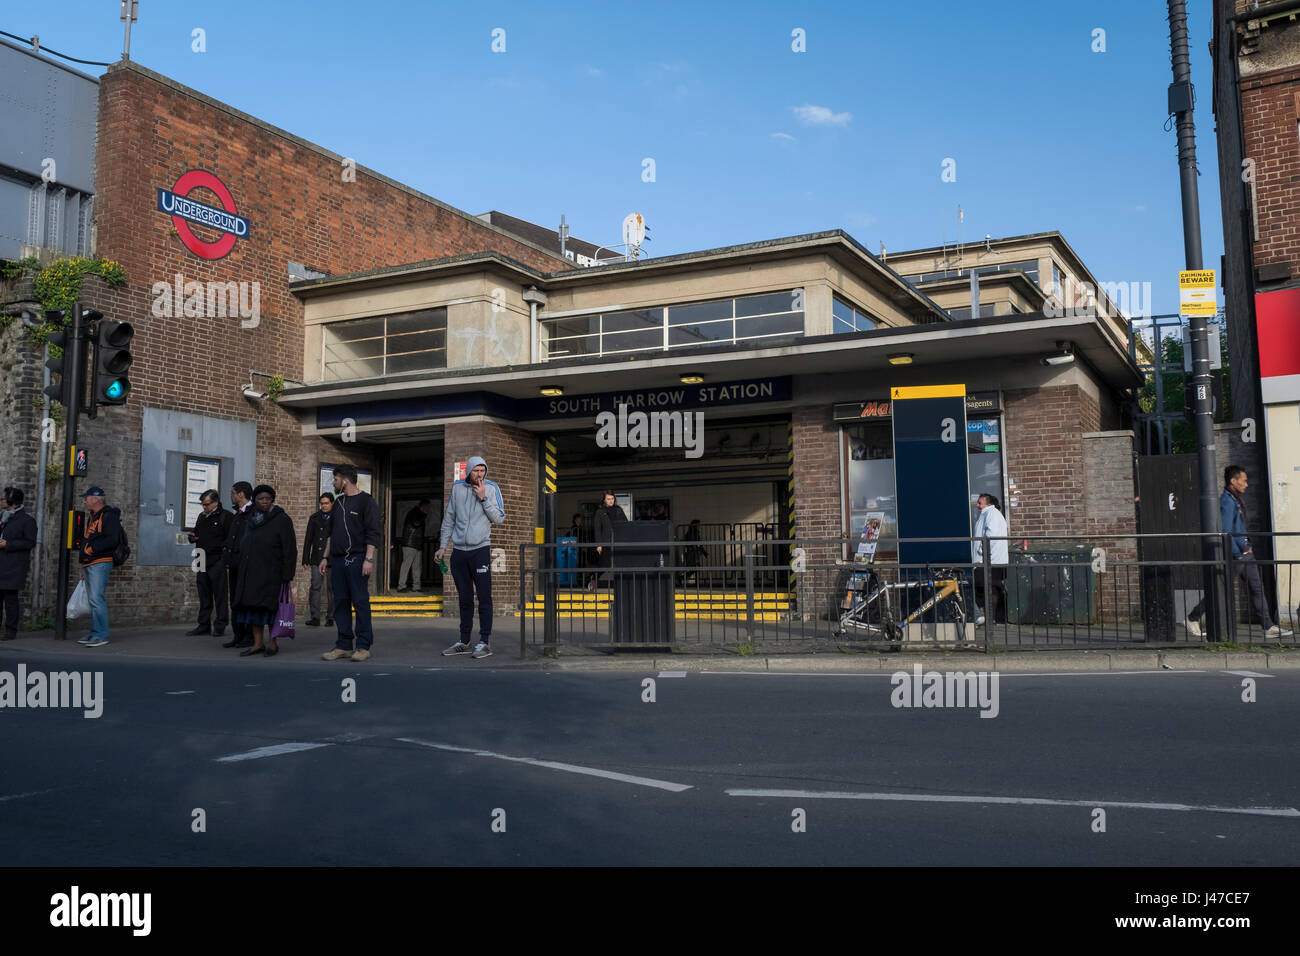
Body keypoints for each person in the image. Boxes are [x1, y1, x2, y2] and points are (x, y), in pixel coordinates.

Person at [1187, 465, 1293, 639]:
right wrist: (1238, 551)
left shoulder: (1235, 499)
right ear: (1233, 481)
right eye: (1243, 480)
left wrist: (1247, 546)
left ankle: (1268, 626)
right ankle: (1193, 617)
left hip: (1245, 552)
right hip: (1237, 555)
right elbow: (1228, 530)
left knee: (1257, 588)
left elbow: (1239, 526)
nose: (1247, 484)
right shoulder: (1227, 501)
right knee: (1221, 588)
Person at [436, 456, 505, 659]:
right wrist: (442, 547)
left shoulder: (491, 488)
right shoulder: (458, 489)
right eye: (476, 470)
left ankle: (484, 642)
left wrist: (483, 498)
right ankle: (464, 641)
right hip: (459, 552)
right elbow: (449, 519)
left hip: (480, 550)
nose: (480, 474)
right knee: (464, 599)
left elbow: (499, 518)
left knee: (484, 597)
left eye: (483, 470)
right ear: (469, 472)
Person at [319, 465, 382, 662]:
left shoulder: (366, 501)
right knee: (340, 603)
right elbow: (331, 534)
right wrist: (324, 557)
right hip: (337, 560)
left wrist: (368, 559)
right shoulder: (338, 503)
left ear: (344, 480)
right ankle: (344, 645)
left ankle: (363, 646)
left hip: (357, 558)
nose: (333, 483)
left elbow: (373, 532)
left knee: (360, 602)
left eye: (335, 479)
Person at [230, 485, 296, 657]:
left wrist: (287, 573)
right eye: (261, 499)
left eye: (268, 498)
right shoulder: (250, 519)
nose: (264, 501)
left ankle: (272, 643)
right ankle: (257, 643)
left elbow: (290, 549)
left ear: (272, 499)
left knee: (270, 610)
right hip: (251, 572)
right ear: (255, 500)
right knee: (253, 610)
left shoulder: (282, 519)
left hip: (271, 573)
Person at [77, 486, 122, 648]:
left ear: (96, 499)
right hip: (90, 563)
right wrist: (83, 564)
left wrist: (91, 549)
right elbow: (88, 538)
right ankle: (95, 632)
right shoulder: (93, 517)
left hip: (100, 562)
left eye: (86, 498)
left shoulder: (109, 516)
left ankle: (101, 635)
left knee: (96, 599)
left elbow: (112, 540)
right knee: (93, 600)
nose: (84, 501)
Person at [186, 489, 232, 636]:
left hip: (217, 561)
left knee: (220, 595)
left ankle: (220, 625)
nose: (204, 507)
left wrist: (223, 559)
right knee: (204, 594)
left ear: (216, 502)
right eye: (202, 505)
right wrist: (192, 538)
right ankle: (203, 624)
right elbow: (197, 533)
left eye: (206, 504)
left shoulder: (226, 517)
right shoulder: (201, 516)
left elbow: (230, 540)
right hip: (201, 559)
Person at [0, 487, 38, 641]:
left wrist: (8, 544)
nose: (2, 501)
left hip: (13, 567)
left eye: (4, 499)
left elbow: (30, 542)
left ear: (12, 502)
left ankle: (10, 631)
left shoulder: (27, 521)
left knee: (10, 600)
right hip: (1, 564)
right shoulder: (3, 518)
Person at [222, 482, 254, 648]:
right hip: (234, 564)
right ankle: (238, 635)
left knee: (245, 600)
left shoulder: (252, 513)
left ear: (241, 494)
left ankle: (249, 636)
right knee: (234, 600)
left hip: (246, 565)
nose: (231, 495)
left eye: (233, 493)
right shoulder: (238, 514)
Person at [971, 493, 1009, 626]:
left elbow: (990, 536)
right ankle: (990, 619)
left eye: (980, 503)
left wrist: (982, 553)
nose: (977, 505)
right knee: (991, 589)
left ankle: (988, 619)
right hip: (992, 560)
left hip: (989, 560)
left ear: (988, 504)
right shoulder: (990, 514)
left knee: (983, 588)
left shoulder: (991, 514)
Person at [302, 493, 335, 627]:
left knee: (332, 588)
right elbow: (308, 539)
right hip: (316, 557)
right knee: (315, 586)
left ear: (332, 503)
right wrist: (305, 558)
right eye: (322, 503)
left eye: (327, 503)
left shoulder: (337, 517)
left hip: (333, 558)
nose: (324, 506)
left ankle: (331, 617)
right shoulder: (314, 518)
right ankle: (315, 617)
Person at [590, 491, 627, 590]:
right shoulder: (600, 512)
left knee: (619, 564)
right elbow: (597, 529)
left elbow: (626, 524)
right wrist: (599, 544)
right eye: (608, 499)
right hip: (605, 542)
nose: (611, 501)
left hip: (618, 541)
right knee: (604, 565)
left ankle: (619, 585)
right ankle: (593, 581)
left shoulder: (619, 510)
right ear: (604, 500)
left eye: (612, 499)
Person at [396, 499, 431, 592]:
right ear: (423, 506)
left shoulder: (416, 512)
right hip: (410, 543)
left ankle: (416, 587)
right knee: (407, 565)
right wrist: (424, 515)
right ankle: (401, 586)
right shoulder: (415, 513)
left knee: (417, 567)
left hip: (416, 544)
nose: (429, 509)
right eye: (428, 507)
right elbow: (416, 523)